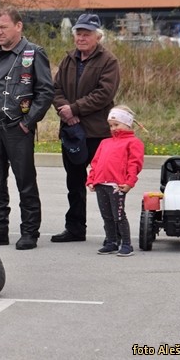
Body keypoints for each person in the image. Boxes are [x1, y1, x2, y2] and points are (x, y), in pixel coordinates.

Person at [0, 6, 54, 249]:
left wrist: (28, 122)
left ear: (18, 26)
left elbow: (46, 91)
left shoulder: (34, 53)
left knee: (25, 181)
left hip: (18, 128)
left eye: (3, 27)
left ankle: (29, 232)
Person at [51, 13, 120, 243]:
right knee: (74, 183)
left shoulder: (108, 61)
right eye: (78, 33)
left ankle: (113, 231)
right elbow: (56, 89)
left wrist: (75, 109)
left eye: (86, 34)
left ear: (97, 36)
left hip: (98, 133)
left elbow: (104, 94)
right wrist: (66, 111)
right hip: (72, 132)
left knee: (104, 184)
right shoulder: (68, 59)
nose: (81, 37)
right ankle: (75, 228)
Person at [87, 105, 144, 257]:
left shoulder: (133, 143)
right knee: (106, 216)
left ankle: (126, 244)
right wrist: (91, 179)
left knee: (118, 215)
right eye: (111, 125)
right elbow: (96, 162)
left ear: (128, 123)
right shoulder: (105, 143)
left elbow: (135, 164)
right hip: (101, 184)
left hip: (117, 186)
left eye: (116, 125)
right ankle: (112, 242)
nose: (113, 128)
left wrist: (130, 182)